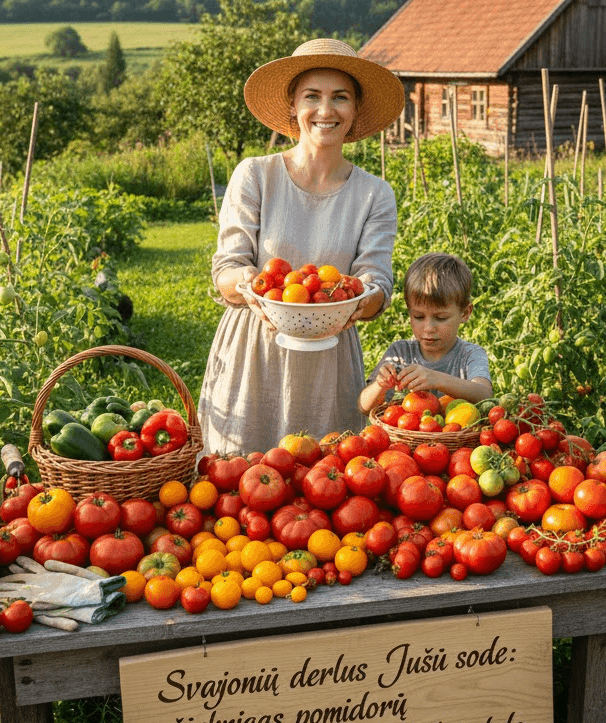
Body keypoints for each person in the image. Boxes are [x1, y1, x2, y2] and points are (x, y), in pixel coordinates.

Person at [198, 38, 405, 455]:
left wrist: (358, 301)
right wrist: (250, 285)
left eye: (340, 97)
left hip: (329, 364)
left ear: (355, 110)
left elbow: (377, 281)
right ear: (293, 106)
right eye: (312, 96)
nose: (326, 110)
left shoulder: (374, 194)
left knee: (326, 476)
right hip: (254, 355)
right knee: (239, 478)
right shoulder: (255, 175)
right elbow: (226, 269)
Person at [358, 252, 492, 414]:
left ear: (465, 313)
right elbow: (364, 407)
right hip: (408, 431)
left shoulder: (470, 354)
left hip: (457, 429)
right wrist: (380, 385)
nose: (428, 328)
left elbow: (484, 394)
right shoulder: (400, 353)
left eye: (441, 318)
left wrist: (437, 379)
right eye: (418, 316)